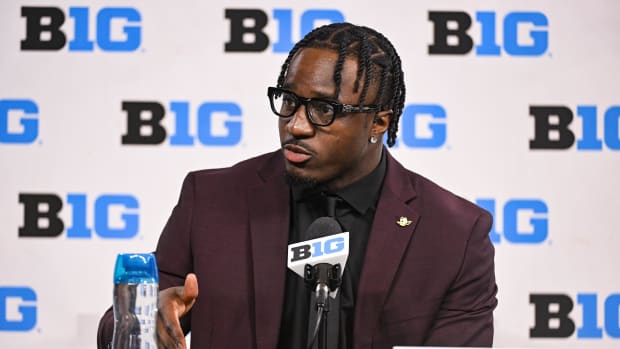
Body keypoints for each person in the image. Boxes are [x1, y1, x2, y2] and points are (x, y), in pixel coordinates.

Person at [97, 22, 497, 349]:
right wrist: (143, 320)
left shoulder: (455, 234)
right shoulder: (213, 200)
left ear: (380, 122)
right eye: (288, 100)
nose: (296, 125)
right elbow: (120, 324)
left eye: (324, 109)